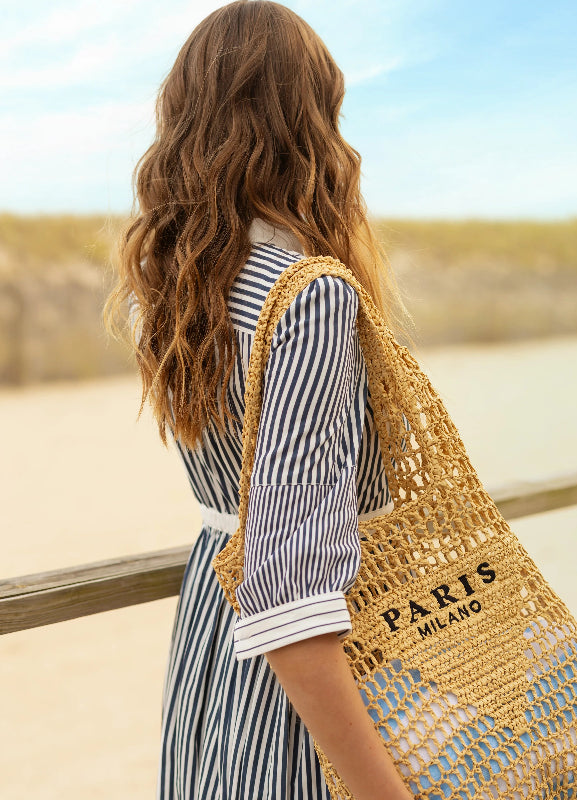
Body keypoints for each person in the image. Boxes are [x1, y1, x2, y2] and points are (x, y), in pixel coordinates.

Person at [106, 2, 413, 798]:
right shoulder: (305, 296)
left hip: (214, 642)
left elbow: (253, 531)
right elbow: (290, 591)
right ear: (312, 123)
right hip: (311, 674)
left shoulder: (173, 290)